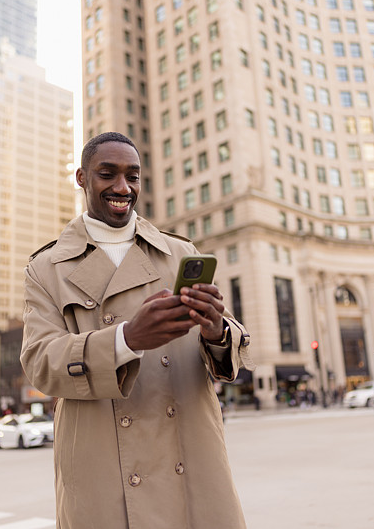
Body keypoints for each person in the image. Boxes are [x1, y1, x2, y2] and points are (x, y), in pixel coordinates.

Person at [21, 132, 254, 529]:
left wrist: (216, 329)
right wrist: (125, 340)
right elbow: (40, 363)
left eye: (133, 176)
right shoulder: (46, 267)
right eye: (107, 174)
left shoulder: (180, 252)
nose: (122, 187)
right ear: (81, 178)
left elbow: (234, 351)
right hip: (103, 470)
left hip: (191, 457)